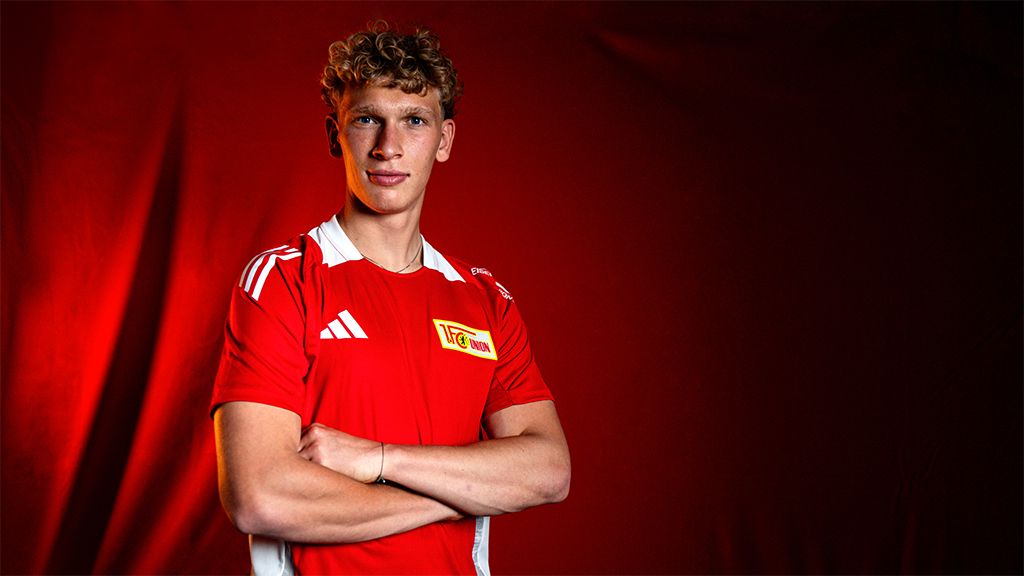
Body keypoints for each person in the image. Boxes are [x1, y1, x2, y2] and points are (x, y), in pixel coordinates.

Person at [210, 21, 570, 575]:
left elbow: (548, 471)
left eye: (414, 120)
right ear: (336, 134)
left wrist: (377, 459)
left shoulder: (485, 301)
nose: (388, 147)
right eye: (367, 120)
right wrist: (460, 496)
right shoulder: (284, 281)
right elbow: (260, 494)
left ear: (444, 140)